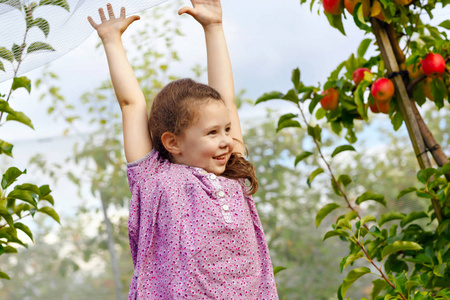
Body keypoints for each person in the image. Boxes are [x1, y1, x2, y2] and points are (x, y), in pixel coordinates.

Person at [88, 1, 279, 299]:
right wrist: (112, 40)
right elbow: (131, 104)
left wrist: (213, 27)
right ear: (173, 143)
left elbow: (226, 98)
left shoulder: (232, 171)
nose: (226, 140)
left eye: (227, 130)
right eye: (212, 133)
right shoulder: (154, 177)